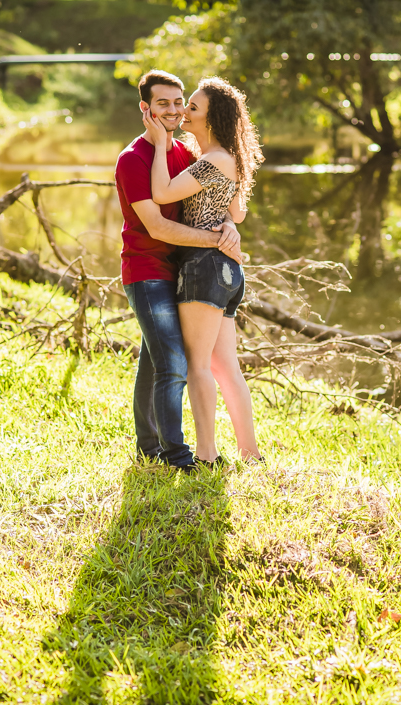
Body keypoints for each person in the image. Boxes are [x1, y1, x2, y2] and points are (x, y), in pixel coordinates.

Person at [114, 70, 242, 470]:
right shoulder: (134, 159)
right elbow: (157, 226)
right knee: (173, 363)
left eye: (178, 101)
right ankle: (177, 457)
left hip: (180, 270)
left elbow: (219, 197)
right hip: (147, 271)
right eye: (162, 103)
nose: (173, 110)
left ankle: (147, 446)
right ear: (145, 108)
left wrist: (230, 225)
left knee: (153, 361)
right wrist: (217, 241)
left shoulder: (185, 153)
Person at [142, 77, 264, 464]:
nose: (183, 112)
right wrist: (228, 226)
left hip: (204, 267)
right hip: (226, 270)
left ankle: (208, 454)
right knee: (225, 365)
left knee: (198, 364)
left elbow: (161, 194)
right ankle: (250, 453)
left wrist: (161, 145)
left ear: (211, 118)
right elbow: (238, 213)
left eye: (192, 107)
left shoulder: (213, 160)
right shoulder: (226, 158)